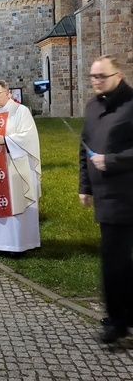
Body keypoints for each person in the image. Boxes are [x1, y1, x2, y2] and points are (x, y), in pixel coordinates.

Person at [79, 56, 133, 343]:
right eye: (93, 77)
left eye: (101, 76)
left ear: (118, 75)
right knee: (120, 259)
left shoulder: (131, 106)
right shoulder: (92, 106)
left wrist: (110, 161)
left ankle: (117, 322)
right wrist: (84, 186)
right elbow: (84, 147)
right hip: (104, 196)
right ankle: (126, 312)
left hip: (126, 194)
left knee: (113, 260)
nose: (96, 81)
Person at [0, 80, 41, 254]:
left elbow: (28, 137)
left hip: (15, 167)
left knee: (17, 201)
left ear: (8, 93)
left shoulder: (20, 111)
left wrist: (4, 140)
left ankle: (19, 244)